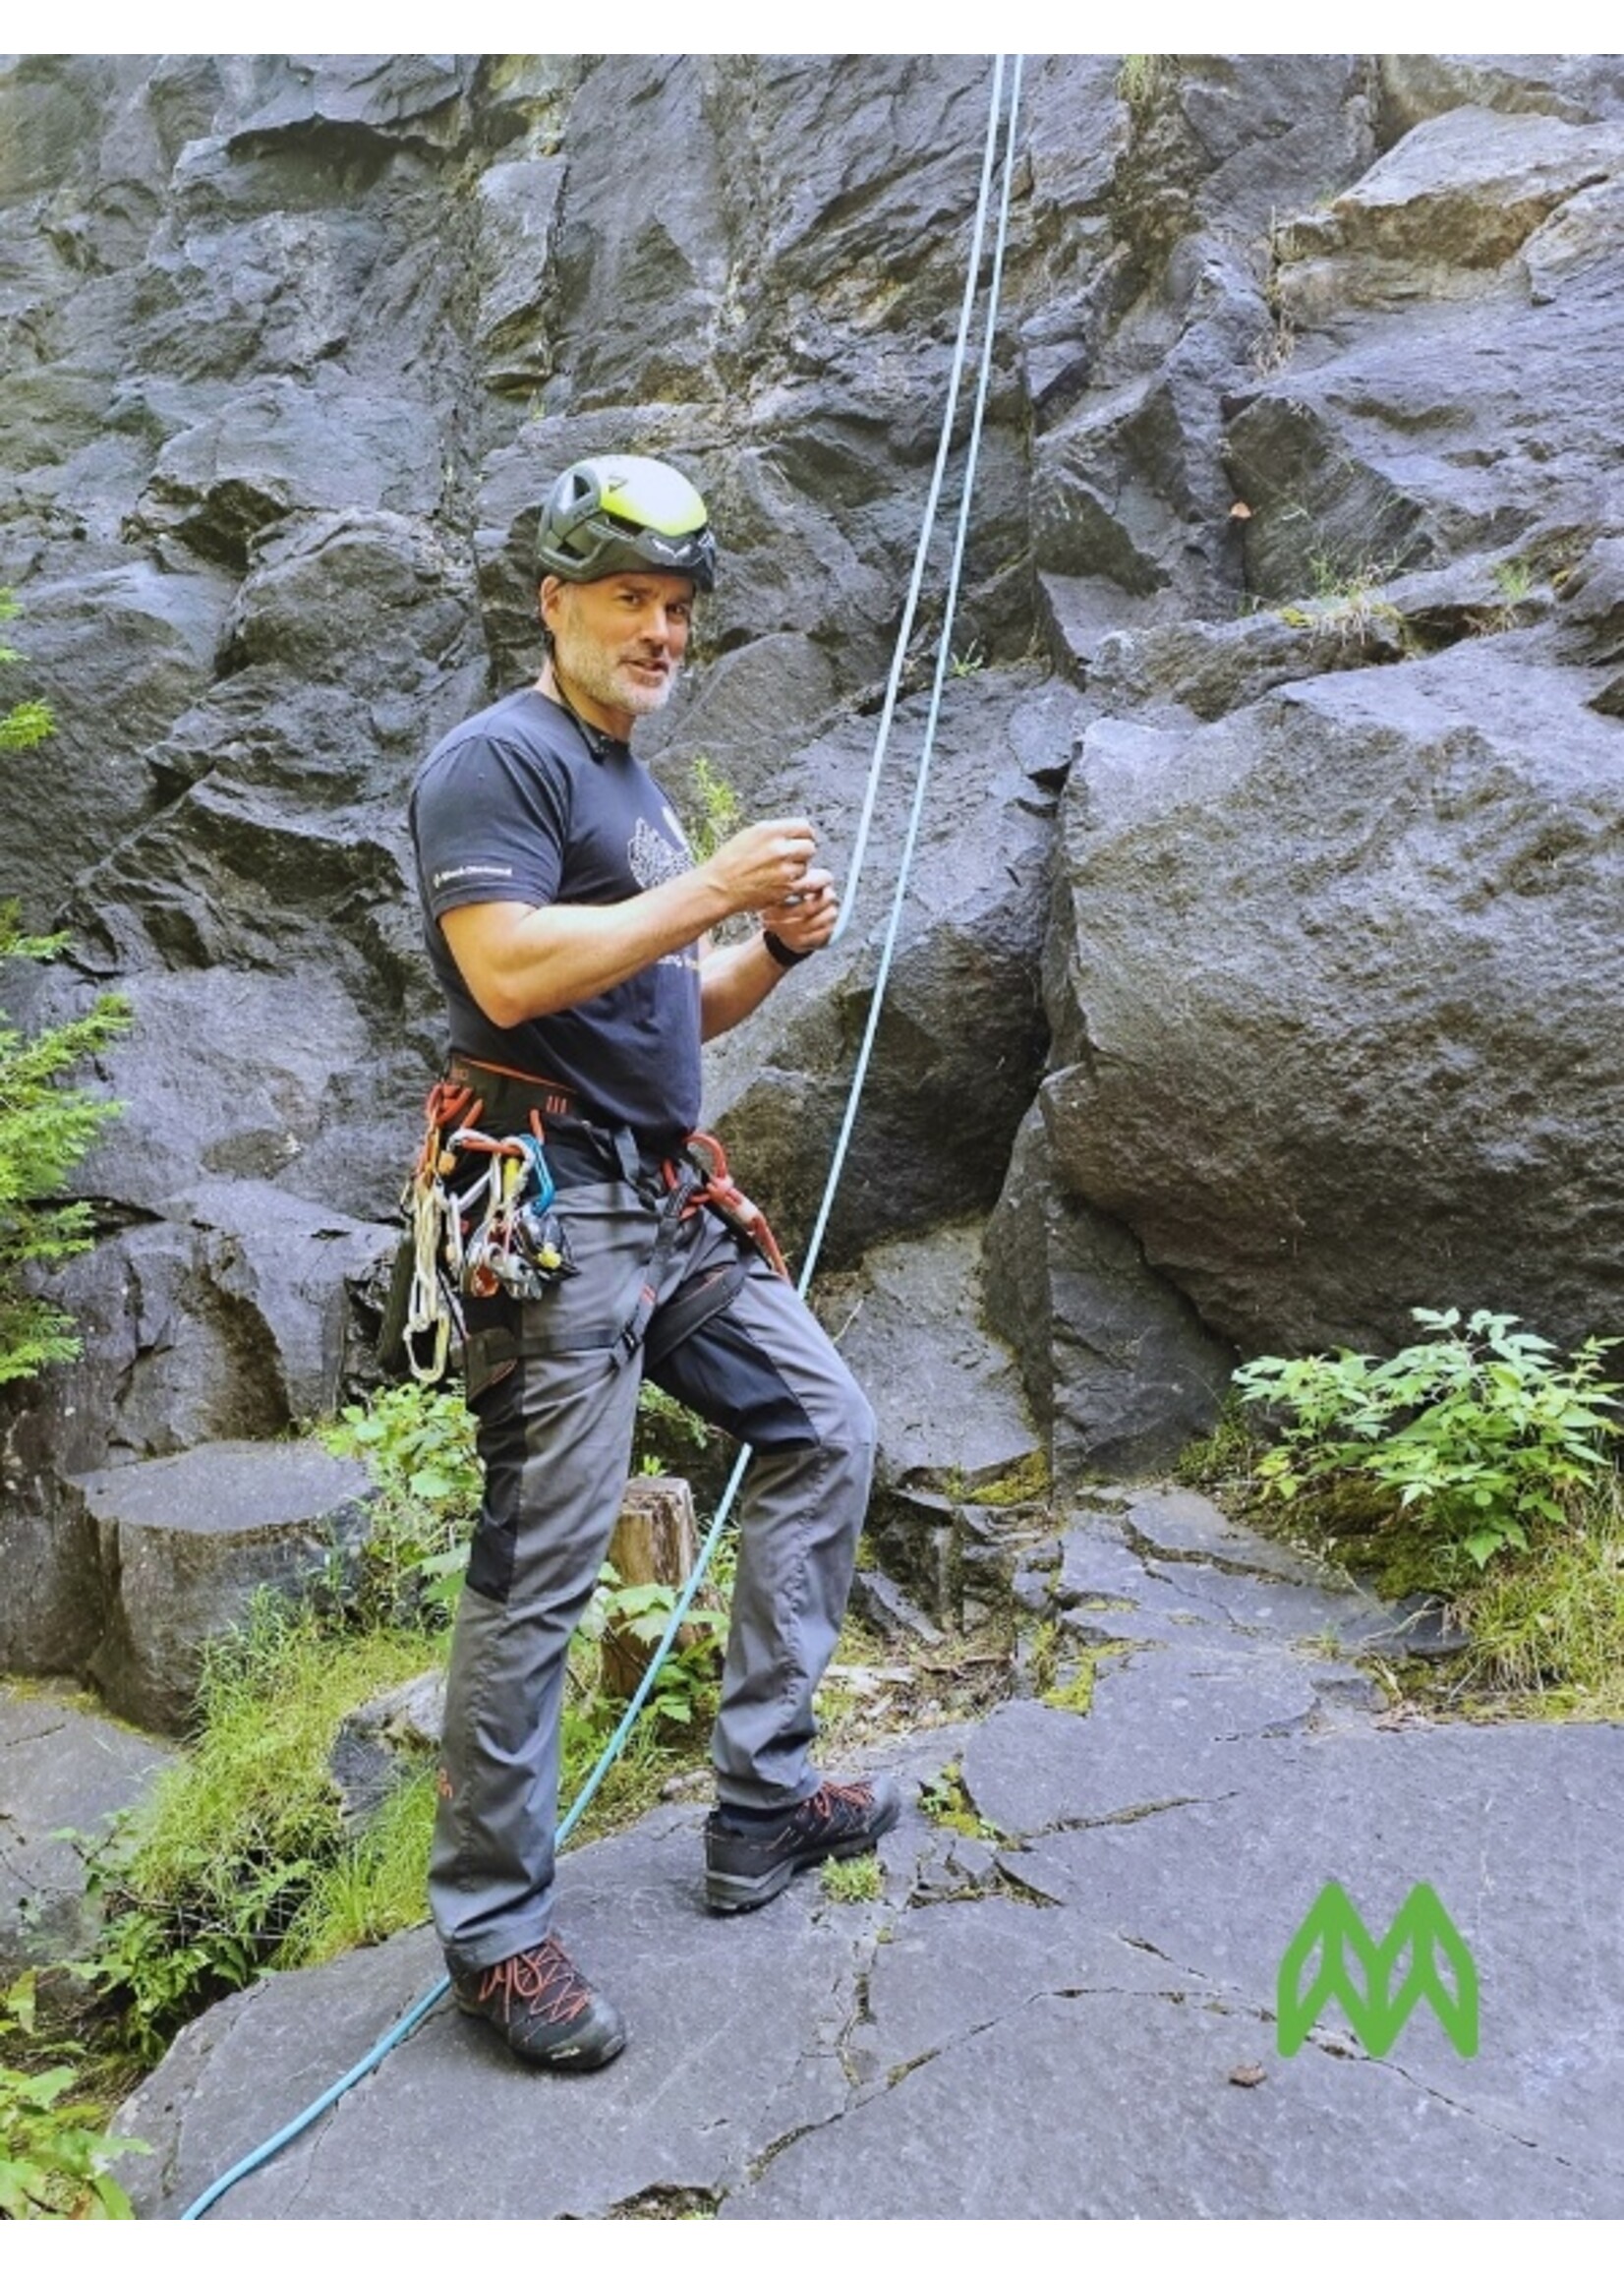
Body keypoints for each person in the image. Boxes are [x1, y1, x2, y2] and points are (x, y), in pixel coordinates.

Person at [407, 453, 898, 2072]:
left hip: (660, 1199)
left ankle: (759, 1797)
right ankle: (492, 1930)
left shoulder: (627, 782)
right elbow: (508, 963)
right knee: (543, 1562)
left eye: (678, 608)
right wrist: (713, 884)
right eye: (629, 598)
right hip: (553, 1206)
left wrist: (770, 946)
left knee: (826, 1421)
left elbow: (666, 1013)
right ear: (553, 601)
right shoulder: (500, 762)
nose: (660, 630)